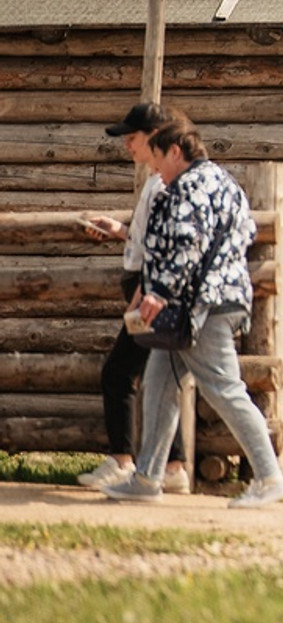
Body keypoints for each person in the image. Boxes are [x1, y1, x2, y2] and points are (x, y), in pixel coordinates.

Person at [101, 121, 283, 508]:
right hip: (217, 299)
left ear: (175, 152)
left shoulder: (187, 186)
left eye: (156, 158)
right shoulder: (225, 182)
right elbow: (245, 232)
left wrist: (160, 292)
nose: (154, 168)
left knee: (224, 388)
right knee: (159, 382)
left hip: (202, 305)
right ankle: (147, 478)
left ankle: (270, 477)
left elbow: (187, 244)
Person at [77, 103, 191, 496]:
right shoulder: (156, 182)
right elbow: (149, 240)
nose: (127, 143)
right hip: (146, 286)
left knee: (119, 373)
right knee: (160, 379)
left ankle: (123, 460)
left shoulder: (165, 184)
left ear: (157, 136)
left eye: (133, 136)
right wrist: (121, 230)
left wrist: (140, 295)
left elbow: (162, 251)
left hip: (150, 291)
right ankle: (173, 466)